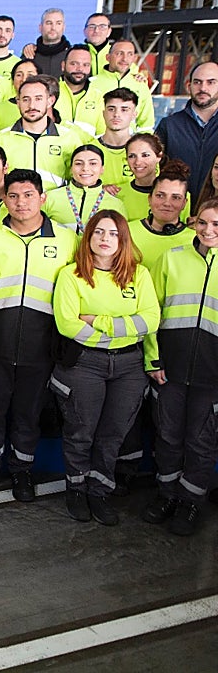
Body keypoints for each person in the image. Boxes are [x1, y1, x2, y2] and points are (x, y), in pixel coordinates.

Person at [0, 169, 78, 501]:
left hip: (41, 344)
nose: (21, 202)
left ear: (43, 198)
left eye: (29, 195)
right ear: (4, 199)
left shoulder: (67, 240)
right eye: (13, 196)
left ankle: (21, 472)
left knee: (29, 412)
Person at [51, 210, 158, 525]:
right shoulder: (72, 275)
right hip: (85, 363)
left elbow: (150, 320)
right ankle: (76, 488)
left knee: (113, 434)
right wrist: (122, 330)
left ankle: (99, 491)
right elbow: (67, 324)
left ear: (123, 239)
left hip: (129, 367)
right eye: (99, 232)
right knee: (81, 430)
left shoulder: (139, 275)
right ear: (88, 237)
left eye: (113, 233)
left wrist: (98, 322)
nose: (105, 239)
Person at [143, 198, 218, 535]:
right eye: (203, 222)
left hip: (211, 375)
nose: (208, 230)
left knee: (201, 442)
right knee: (169, 436)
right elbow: (151, 312)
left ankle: (190, 503)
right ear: (194, 222)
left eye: (216, 225)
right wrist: (152, 358)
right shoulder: (171, 259)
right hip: (169, 369)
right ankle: (167, 494)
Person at [0, 76, 84, 190]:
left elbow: (79, 180)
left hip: (55, 206)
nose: (32, 106)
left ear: (50, 101)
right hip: (17, 205)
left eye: (38, 99)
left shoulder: (69, 138)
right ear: (18, 102)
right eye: (26, 99)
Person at [157, 61, 218, 202]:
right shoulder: (169, 125)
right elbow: (154, 170)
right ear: (188, 86)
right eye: (197, 82)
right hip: (175, 210)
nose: (203, 88)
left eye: (211, 82)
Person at [43, 144, 126, 234]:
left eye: (93, 163)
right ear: (71, 169)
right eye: (78, 163)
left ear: (102, 169)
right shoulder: (49, 198)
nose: (85, 168)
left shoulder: (116, 204)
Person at [117, 133, 174, 217]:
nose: (138, 162)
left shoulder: (175, 195)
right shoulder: (117, 194)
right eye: (132, 156)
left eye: (145, 155)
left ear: (159, 156)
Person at [27, 8, 71, 78]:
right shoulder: (30, 54)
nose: (53, 28)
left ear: (64, 27)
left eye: (58, 23)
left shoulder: (72, 55)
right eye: (49, 23)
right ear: (40, 27)